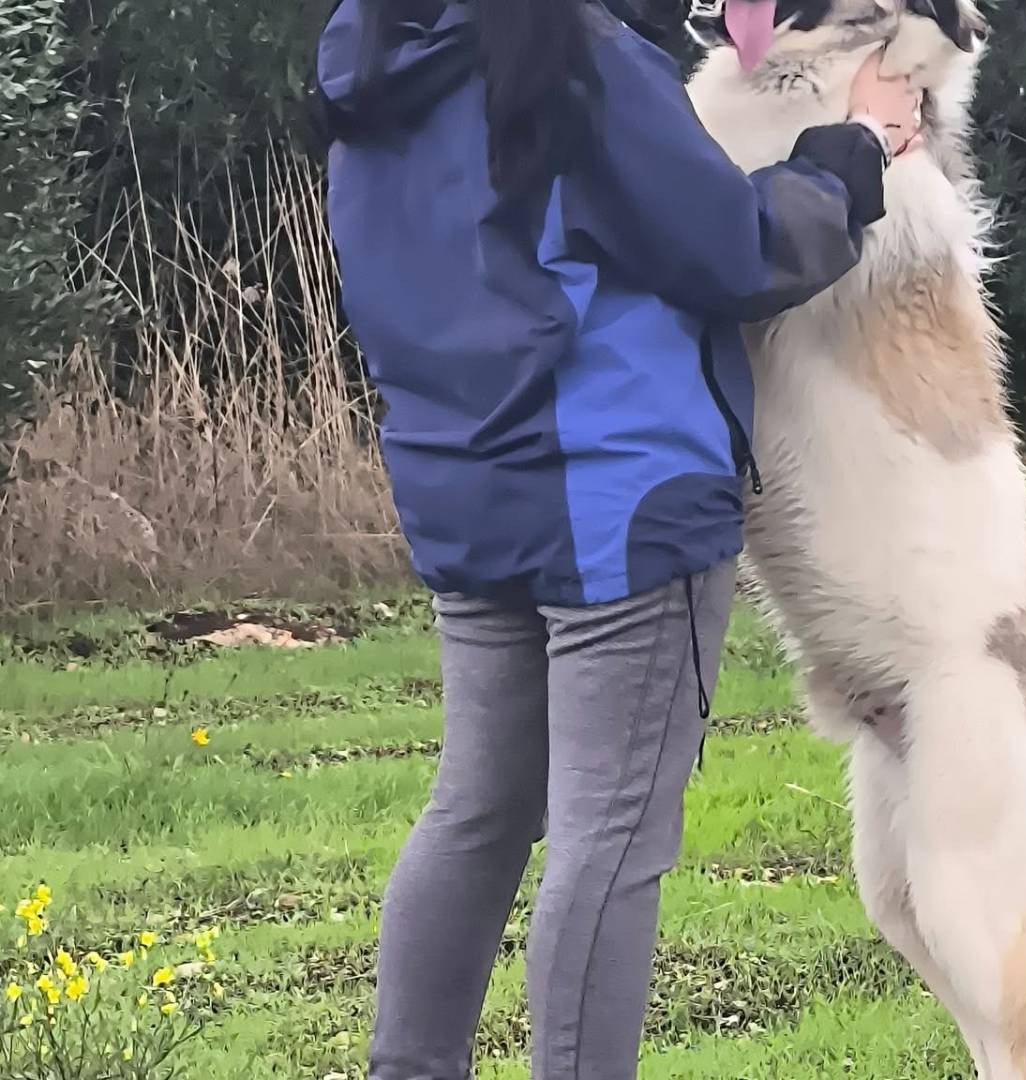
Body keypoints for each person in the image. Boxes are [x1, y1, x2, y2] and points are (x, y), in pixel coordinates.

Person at [315, 1, 922, 1077]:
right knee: (610, 841)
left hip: (470, 497)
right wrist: (856, 150)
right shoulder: (580, 58)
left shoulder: (372, 59)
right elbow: (737, 249)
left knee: (479, 811)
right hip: (620, 505)